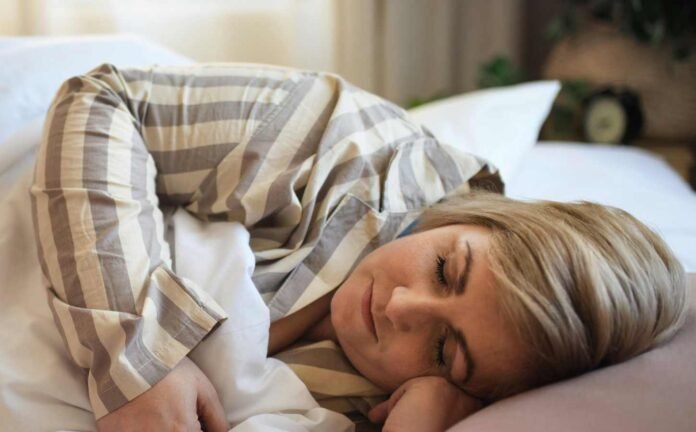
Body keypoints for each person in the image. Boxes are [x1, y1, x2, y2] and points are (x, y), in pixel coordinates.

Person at [30, 62, 689, 432]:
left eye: (443, 349)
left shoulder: (392, 400)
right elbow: (103, 99)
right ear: (488, 216)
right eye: (445, 268)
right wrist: (138, 360)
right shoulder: (339, 142)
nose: (400, 305)